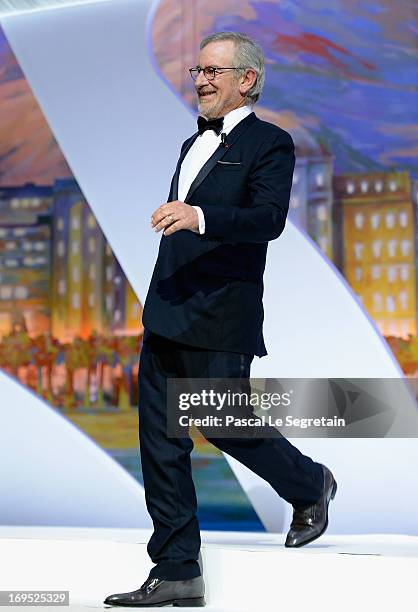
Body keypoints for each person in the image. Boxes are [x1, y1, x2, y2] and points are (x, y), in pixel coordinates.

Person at [104, 31, 337, 608]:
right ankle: (178, 568)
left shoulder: (270, 143)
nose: (201, 80)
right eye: (197, 71)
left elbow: (266, 221)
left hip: (221, 314)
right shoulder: (191, 143)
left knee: (226, 424)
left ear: (246, 80)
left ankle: (311, 484)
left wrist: (198, 214)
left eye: (213, 70)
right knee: (160, 444)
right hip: (167, 310)